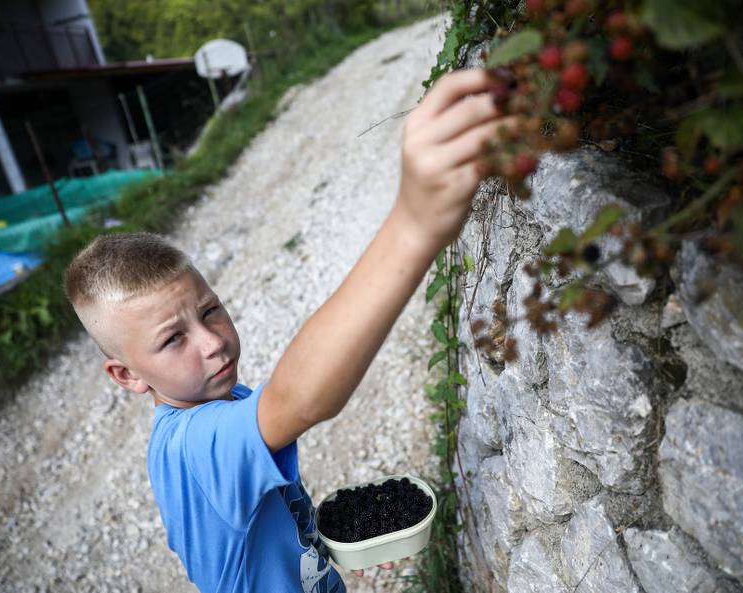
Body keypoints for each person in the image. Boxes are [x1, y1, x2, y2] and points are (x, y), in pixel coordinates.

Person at [63, 69, 515, 593]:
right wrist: (415, 225)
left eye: (209, 311)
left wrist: (332, 540)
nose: (212, 342)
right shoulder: (197, 444)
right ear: (125, 374)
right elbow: (300, 399)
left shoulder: (221, 407)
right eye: (172, 339)